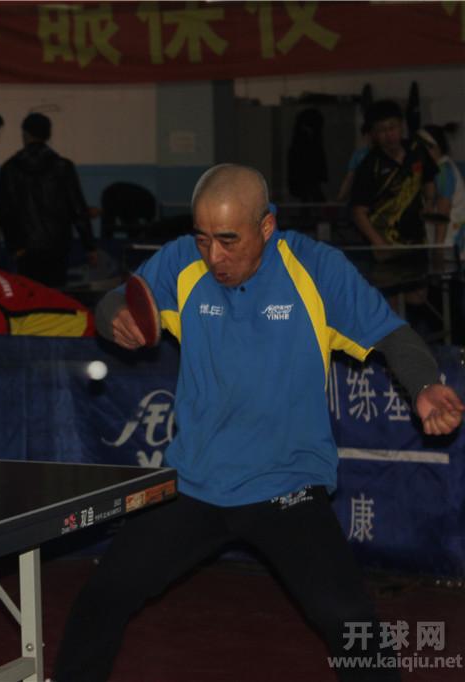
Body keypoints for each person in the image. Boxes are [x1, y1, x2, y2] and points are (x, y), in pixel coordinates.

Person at [52, 163, 463, 682]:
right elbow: (118, 298)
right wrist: (114, 316)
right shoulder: (181, 262)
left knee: (348, 619)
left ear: (267, 226)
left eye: (229, 239)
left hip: (286, 484)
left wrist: (424, 386)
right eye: (203, 238)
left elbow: (392, 335)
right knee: (104, 596)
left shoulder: (316, 269)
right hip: (196, 482)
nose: (214, 256)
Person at [349, 100, 438, 308]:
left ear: (401, 126)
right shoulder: (370, 166)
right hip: (385, 247)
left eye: (392, 127)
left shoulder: (417, 151)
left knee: (417, 299)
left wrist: (429, 202)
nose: (389, 135)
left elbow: (429, 181)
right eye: (382, 130)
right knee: (391, 306)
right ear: (373, 134)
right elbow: (358, 212)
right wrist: (378, 243)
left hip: (416, 242)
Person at [0, 112, 98, 288]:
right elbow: (78, 210)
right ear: (48, 135)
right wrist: (89, 246)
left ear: (25, 134)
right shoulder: (63, 167)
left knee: (29, 294)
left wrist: (14, 247)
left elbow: (5, 212)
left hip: (25, 248)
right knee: (54, 295)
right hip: (57, 246)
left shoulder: (10, 168)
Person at [417, 124, 464, 251]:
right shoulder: (434, 169)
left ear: (434, 148)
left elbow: (442, 214)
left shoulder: (443, 172)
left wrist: (438, 250)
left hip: (451, 241)